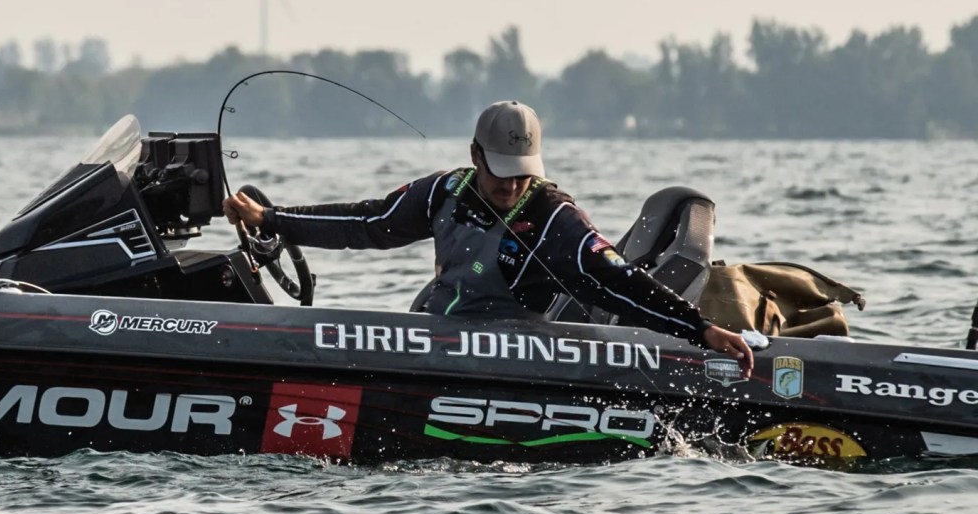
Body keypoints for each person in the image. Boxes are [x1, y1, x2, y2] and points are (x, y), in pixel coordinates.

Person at [223, 100, 754, 377]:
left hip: (511, 352)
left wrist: (700, 329)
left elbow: (618, 283)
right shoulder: (444, 191)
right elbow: (369, 223)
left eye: (522, 173)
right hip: (435, 338)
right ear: (475, 155)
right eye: (500, 171)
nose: (511, 185)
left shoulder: (553, 216)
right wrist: (271, 218)